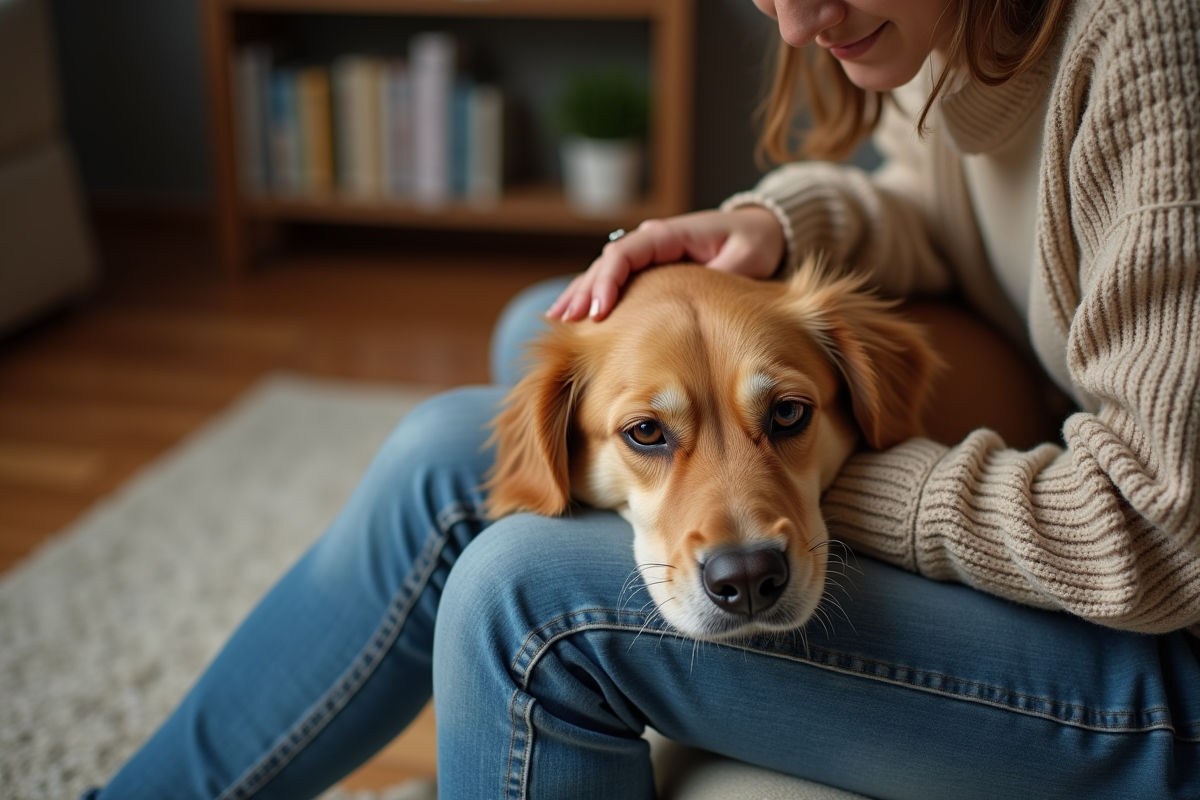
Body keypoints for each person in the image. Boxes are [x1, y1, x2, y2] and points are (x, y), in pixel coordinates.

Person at [89, 0, 1200, 798]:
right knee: (497, 382)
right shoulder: (949, 35)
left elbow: (1165, 530)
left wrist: (827, 479)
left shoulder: (1148, 41)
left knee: (520, 593)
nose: (800, 20)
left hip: (1164, 678)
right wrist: (774, 227)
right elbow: (937, 198)